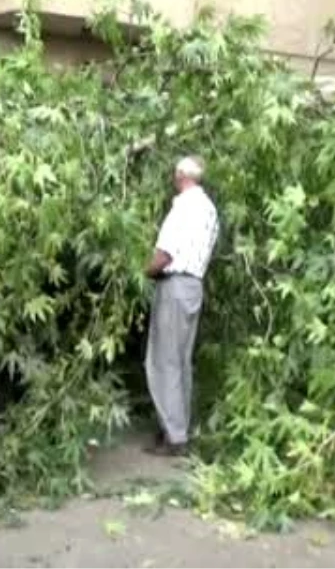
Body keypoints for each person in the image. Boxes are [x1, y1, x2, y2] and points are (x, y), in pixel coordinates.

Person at [142, 155, 219, 457]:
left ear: (179, 175)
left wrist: (144, 272)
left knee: (163, 361)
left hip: (174, 285)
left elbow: (165, 254)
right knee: (181, 361)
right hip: (194, 286)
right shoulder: (209, 209)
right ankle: (178, 428)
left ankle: (174, 437)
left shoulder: (183, 207)